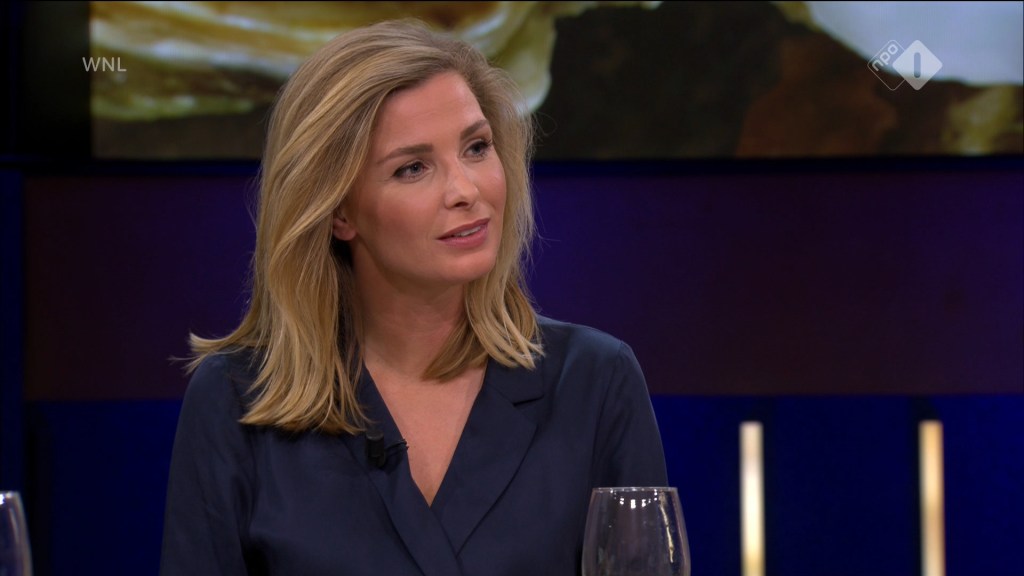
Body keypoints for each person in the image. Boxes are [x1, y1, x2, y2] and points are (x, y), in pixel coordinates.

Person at [160, 18, 667, 576]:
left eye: (476, 147)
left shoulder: (595, 382)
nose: (466, 190)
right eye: (413, 168)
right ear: (339, 211)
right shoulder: (237, 399)